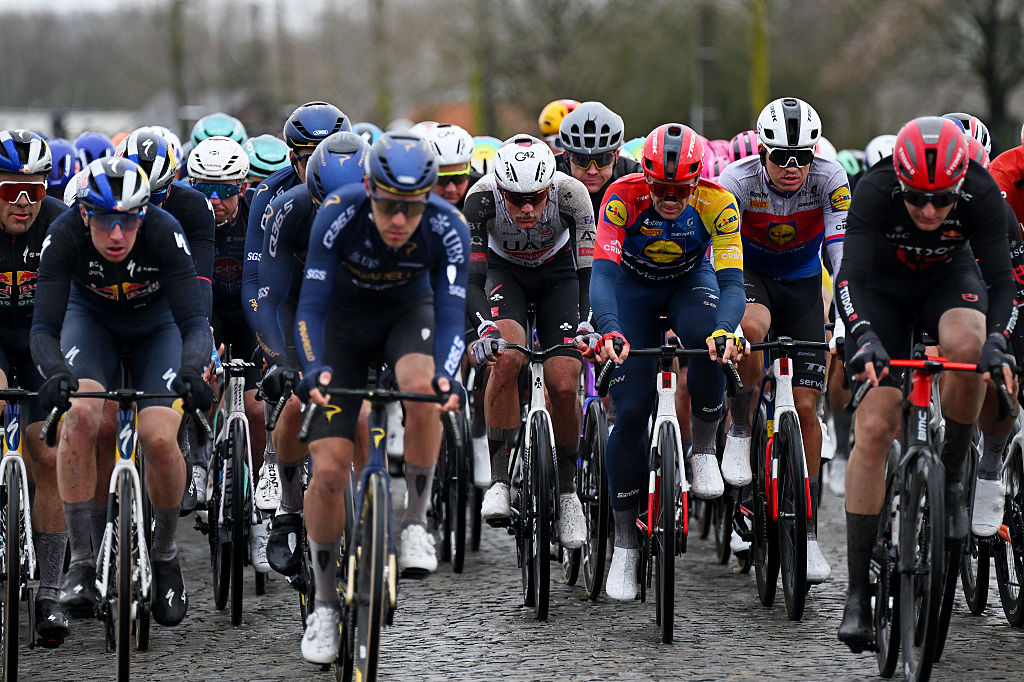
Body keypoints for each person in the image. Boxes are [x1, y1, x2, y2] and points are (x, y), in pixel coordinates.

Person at [834, 116, 1016, 651]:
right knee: (874, 428)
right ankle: (856, 595)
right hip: (881, 294)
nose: (930, 212)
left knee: (969, 348)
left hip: (947, 282)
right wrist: (863, 335)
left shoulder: (982, 192)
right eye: (916, 199)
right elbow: (849, 277)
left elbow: (1002, 281)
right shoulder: (874, 189)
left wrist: (999, 341)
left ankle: (954, 480)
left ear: (961, 183)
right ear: (900, 182)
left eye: (942, 200)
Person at [292, 132, 467, 663]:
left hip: (407, 318)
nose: (399, 220)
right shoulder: (339, 212)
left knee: (425, 387)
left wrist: (448, 376)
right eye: (389, 205)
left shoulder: (448, 225)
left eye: (412, 208)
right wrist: (313, 369)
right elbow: (310, 307)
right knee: (328, 472)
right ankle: (325, 605)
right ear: (369, 189)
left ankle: (414, 522)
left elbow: (452, 316)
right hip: (341, 328)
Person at [31, 157, 214, 629]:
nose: (117, 234)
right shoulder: (64, 235)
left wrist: (192, 369)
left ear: (144, 215)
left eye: (129, 221)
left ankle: (166, 554)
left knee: (159, 437)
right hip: (92, 325)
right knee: (81, 418)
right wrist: (54, 372)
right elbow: (44, 327)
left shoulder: (165, 231)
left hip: (158, 329)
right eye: (105, 221)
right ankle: (81, 563)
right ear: (84, 214)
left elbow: (194, 321)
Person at [590, 123, 744, 600]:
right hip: (631, 291)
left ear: (697, 181)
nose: (671, 198)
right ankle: (624, 544)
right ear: (647, 179)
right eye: (660, 188)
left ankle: (703, 451)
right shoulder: (622, 196)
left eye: (681, 189)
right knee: (631, 411)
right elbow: (602, 274)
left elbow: (732, 282)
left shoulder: (719, 202)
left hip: (689, 284)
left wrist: (726, 328)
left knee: (708, 340)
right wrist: (609, 327)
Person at [716, 97, 851, 584]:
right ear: (763, 152)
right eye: (781, 156)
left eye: (802, 156)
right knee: (751, 331)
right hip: (750, 276)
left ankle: (808, 534)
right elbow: (724, 253)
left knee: (808, 408)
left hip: (801, 286)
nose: (792, 166)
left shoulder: (831, 179)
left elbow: (840, 254)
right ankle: (740, 427)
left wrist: (846, 316)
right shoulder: (736, 180)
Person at [462, 135, 593, 549]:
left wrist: (587, 323)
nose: (527, 209)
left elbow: (589, 275)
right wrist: (484, 329)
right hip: (505, 274)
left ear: (550, 187)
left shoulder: (572, 195)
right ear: (499, 189)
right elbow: (472, 281)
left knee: (564, 381)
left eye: (535, 198)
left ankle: (569, 492)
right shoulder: (479, 199)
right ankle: (500, 480)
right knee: (504, 359)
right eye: (516, 200)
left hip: (560, 276)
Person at [255, 131, 371, 577]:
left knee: (364, 415)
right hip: (298, 309)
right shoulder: (289, 209)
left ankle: (371, 507)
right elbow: (268, 296)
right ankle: (288, 508)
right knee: (295, 405)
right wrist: (281, 361)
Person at [0, 129, 73, 646]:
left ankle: (50, 594)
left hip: (42, 340)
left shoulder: (59, 225)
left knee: (47, 455)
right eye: (10, 190)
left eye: (35, 189)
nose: (23, 201)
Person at [187, 136, 271, 570]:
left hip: (251, 314)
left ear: (243, 186)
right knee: (202, 383)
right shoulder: (186, 215)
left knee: (256, 409)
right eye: (205, 188)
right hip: (209, 312)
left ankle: (259, 511)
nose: (215, 199)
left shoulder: (259, 212)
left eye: (225, 189)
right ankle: (200, 459)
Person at [556, 101, 641, 217]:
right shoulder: (550, 176)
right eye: (582, 160)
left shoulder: (636, 177)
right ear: (566, 156)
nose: (592, 171)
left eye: (603, 160)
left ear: (616, 156)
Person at [423, 123, 479, 209]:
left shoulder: (485, 191)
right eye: (442, 179)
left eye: (459, 178)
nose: (451, 189)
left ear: (470, 167)